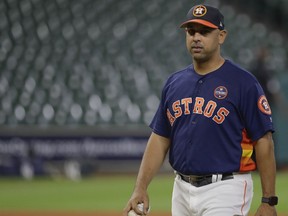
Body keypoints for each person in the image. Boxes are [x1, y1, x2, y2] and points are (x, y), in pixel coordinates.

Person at [123, 4, 277, 216]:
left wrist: (268, 200)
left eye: (204, 32)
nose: (196, 37)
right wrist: (140, 188)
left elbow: (264, 141)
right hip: (181, 187)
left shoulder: (244, 83)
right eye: (191, 31)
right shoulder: (174, 82)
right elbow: (159, 138)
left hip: (226, 187)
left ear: (221, 36)